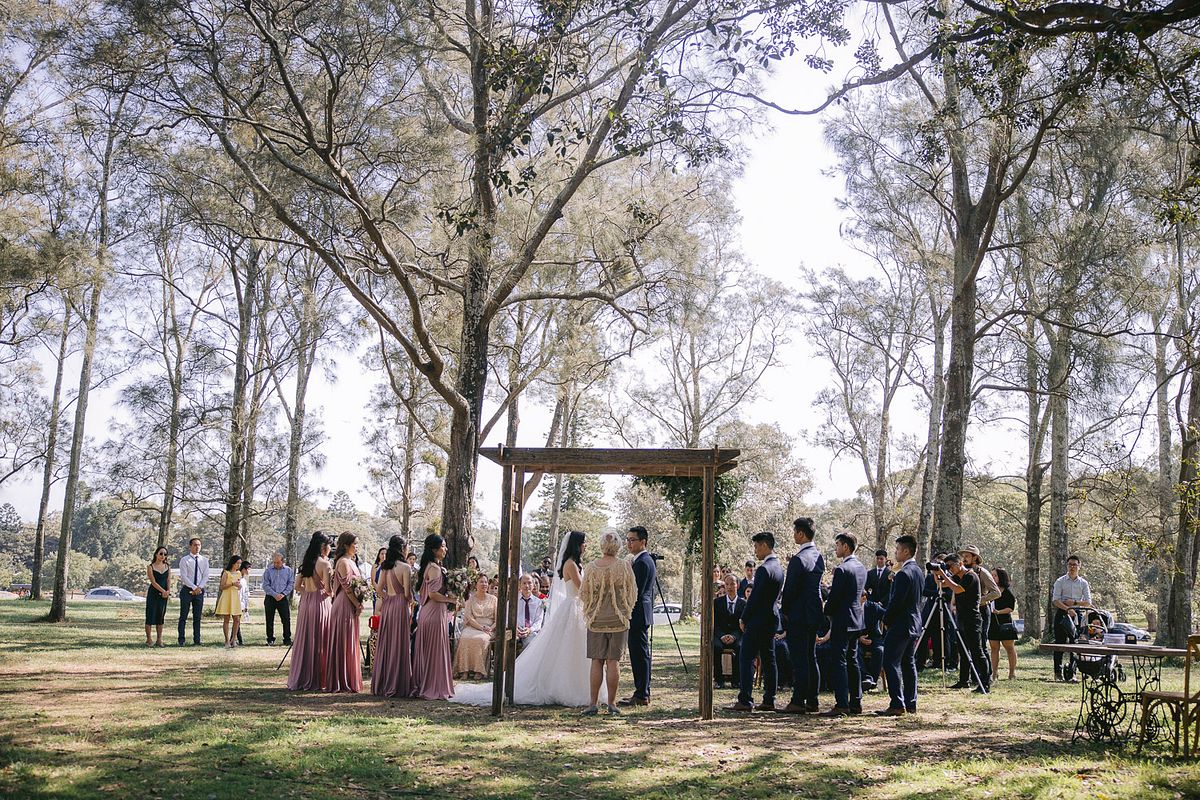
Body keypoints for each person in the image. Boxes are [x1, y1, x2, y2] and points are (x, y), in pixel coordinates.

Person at [450, 530, 595, 707]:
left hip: (578, 608)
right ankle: (566, 687)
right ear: (577, 544)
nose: (586, 545)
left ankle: (581, 685)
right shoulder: (571, 564)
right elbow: (581, 589)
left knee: (576, 648)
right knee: (569, 648)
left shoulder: (577, 564)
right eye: (584, 542)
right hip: (573, 606)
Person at [579, 530, 638, 716]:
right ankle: (612, 704)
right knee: (613, 661)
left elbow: (584, 593)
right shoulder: (624, 566)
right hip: (618, 619)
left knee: (596, 661)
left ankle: (593, 704)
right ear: (618, 545)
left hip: (596, 620)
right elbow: (632, 591)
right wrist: (625, 609)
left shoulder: (591, 567)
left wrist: (590, 609)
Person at [726, 532, 784, 712]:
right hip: (771, 617)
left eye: (757, 546)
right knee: (769, 658)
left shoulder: (764, 569)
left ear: (765, 546)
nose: (755, 550)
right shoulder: (779, 568)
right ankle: (769, 698)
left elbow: (755, 597)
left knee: (746, 657)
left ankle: (745, 699)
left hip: (758, 619)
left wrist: (744, 617)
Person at [779, 517, 824, 714]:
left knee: (799, 659)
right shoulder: (818, 556)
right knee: (810, 657)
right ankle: (812, 700)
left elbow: (789, 590)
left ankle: (798, 700)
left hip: (799, 614)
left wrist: (785, 611)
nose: (793, 535)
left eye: (795, 531)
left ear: (801, 534)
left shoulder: (798, 559)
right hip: (814, 613)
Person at [821, 532, 867, 716]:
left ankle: (841, 704)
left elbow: (835, 597)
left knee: (839, 661)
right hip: (856, 619)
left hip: (842, 619)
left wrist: (826, 610)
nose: (836, 548)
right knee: (853, 660)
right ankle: (856, 702)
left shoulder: (842, 569)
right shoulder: (861, 567)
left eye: (838, 545)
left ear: (846, 547)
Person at [877, 534, 924, 716]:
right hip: (913, 623)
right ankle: (910, 702)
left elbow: (896, 602)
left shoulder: (903, 573)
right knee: (908, 663)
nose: (895, 553)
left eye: (897, 549)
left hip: (901, 623)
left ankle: (897, 703)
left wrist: (886, 619)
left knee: (890, 662)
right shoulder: (918, 571)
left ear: (905, 551)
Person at [935, 553, 990, 693]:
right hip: (961, 618)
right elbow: (941, 584)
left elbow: (957, 589)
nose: (949, 569)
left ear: (960, 564)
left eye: (951, 566)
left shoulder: (970, 576)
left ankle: (985, 682)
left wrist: (943, 573)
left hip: (973, 619)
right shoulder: (956, 577)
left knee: (977, 651)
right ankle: (963, 681)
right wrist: (937, 573)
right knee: (963, 651)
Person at [288, 531, 333, 691]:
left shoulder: (307, 562)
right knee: (320, 639)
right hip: (320, 603)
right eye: (329, 545)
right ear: (323, 546)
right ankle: (318, 678)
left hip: (305, 603)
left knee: (305, 638)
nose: (330, 548)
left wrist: (307, 591)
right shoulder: (324, 564)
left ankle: (302, 675)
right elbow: (328, 589)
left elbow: (296, 586)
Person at [412, 534, 455, 700]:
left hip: (428, 612)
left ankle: (427, 682)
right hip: (434, 613)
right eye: (442, 546)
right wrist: (450, 599)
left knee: (430, 651)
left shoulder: (429, 566)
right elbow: (433, 594)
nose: (445, 549)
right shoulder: (435, 569)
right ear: (434, 549)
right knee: (435, 652)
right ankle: (433, 686)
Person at [372, 534, 413, 698]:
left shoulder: (385, 567)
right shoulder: (405, 567)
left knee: (387, 643)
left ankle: (383, 681)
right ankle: (397, 683)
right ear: (403, 548)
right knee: (399, 642)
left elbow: (378, 588)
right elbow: (408, 593)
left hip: (388, 606)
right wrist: (412, 602)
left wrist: (387, 596)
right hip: (400, 606)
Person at [619, 525, 656, 708]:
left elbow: (635, 591)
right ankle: (641, 691)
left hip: (638, 613)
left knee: (640, 655)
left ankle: (642, 693)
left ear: (643, 542)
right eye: (627, 540)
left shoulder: (642, 562)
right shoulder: (641, 560)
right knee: (640, 654)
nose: (629, 543)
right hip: (641, 612)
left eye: (632, 540)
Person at [324, 532, 364, 692]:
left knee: (349, 640)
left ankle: (349, 676)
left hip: (350, 603)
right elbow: (347, 587)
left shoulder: (351, 561)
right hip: (344, 604)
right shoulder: (343, 562)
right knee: (343, 641)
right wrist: (357, 604)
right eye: (355, 543)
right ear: (347, 545)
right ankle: (341, 679)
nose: (357, 546)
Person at [960, 545, 1000, 680]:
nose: (964, 559)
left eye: (967, 556)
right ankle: (965, 678)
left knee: (980, 644)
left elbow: (996, 592)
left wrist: (979, 601)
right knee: (965, 644)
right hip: (966, 611)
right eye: (963, 556)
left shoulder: (983, 572)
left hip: (981, 611)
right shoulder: (963, 572)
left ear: (975, 558)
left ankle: (984, 677)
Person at [1051, 555, 1091, 682]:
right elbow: (1056, 600)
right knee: (1060, 643)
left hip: (1077, 614)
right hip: (1062, 614)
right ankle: (1058, 673)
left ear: (1079, 566)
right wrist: (1067, 608)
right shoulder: (1060, 581)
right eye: (1070, 565)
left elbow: (1088, 602)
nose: (1072, 567)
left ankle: (1072, 673)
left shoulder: (1083, 583)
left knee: (1075, 644)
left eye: (1075, 564)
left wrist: (1073, 603)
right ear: (1067, 566)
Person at [454, 574, 498, 679]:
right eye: (481, 582)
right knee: (464, 637)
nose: (484, 584)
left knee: (481, 639)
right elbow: (469, 618)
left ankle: (479, 670)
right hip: (473, 626)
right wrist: (481, 627)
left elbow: (498, 619)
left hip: (489, 628)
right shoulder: (470, 600)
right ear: (476, 585)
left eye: (486, 582)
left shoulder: (494, 599)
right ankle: (464, 670)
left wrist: (490, 628)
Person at [713, 574, 745, 689]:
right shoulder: (717, 603)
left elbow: (743, 624)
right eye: (727, 584)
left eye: (732, 584)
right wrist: (722, 635)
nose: (730, 587)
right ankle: (719, 680)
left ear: (738, 585)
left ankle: (736, 680)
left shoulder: (743, 604)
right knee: (715, 647)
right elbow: (714, 623)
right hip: (720, 635)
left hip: (737, 635)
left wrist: (734, 636)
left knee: (740, 647)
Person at [176, 537, 210, 646]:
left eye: (199, 545)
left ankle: (197, 640)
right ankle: (181, 640)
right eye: (195, 545)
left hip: (199, 591)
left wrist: (199, 587)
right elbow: (184, 576)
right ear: (190, 546)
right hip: (187, 590)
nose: (197, 547)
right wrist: (193, 587)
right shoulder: (185, 560)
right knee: (183, 616)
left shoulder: (204, 560)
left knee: (197, 617)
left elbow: (205, 576)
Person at [988, 567, 1019, 681]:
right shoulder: (990, 591)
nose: (992, 577)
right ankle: (994, 673)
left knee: (1009, 648)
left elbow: (1010, 608)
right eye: (991, 575)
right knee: (994, 648)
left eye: (995, 575)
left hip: (1005, 623)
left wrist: (999, 612)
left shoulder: (1007, 592)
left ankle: (1012, 673)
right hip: (992, 622)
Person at [262, 552, 294, 646]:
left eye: (278, 562)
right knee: (269, 619)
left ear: (282, 561)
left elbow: (291, 584)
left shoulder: (288, 571)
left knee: (286, 619)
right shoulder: (268, 570)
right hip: (270, 597)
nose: (276, 564)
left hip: (283, 597)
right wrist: (274, 594)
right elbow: (265, 585)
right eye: (274, 562)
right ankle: (270, 639)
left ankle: (287, 639)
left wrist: (283, 594)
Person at [215, 554, 243, 649]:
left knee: (237, 619)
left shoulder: (239, 573)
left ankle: (234, 639)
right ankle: (226, 640)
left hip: (235, 597)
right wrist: (231, 584)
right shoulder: (226, 573)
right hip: (227, 596)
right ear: (233, 563)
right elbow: (221, 587)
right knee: (226, 619)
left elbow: (239, 585)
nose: (238, 565)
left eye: (240, 563)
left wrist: (239, 586)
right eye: (237, 563)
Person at [145, 547, 171, 646]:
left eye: (165, 554)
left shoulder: (167, 567)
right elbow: (153, 582)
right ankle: (149, 639)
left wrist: (168, 591)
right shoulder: (150, 567)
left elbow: (168, 580)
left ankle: (159, 639)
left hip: (164, 595)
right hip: (153, 594)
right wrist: (163, 590)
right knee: (150, 616)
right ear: (156, 554)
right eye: (161, 554)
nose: (163, 556)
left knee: (160, 616)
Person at [515, 574, 545, 653]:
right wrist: (515, 628)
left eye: (529, 583)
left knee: (532, 641)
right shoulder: (513, 601)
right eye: (524, 583)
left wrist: (529, 630)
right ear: (520, 585)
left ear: (533, 585)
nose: (527, 586)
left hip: (531, 632)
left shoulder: (538, 602)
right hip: (516, 630)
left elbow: (539, 621)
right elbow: (507, 618)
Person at [235, 560, 251, 646]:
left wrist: (245, 605)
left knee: (237, 621)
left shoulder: (244, 580)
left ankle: (237, 639)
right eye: (248, 568)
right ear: (244, 569)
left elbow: (245, 593)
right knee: (236, 621)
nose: (249, 571)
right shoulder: (238, 578)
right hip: (237, 602)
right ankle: (237, 639)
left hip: (241, 603)